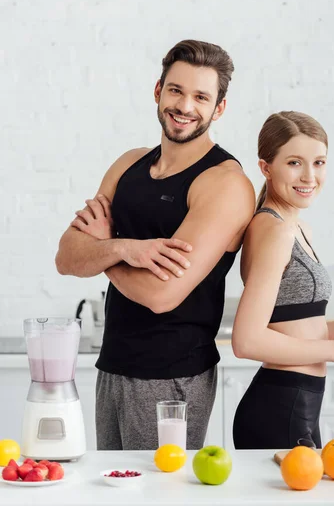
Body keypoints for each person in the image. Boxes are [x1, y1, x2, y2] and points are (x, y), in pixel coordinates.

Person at [55, 39, 255, 451]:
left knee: (159, 495)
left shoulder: (225, 183)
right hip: (113, 366)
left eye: (201, 96)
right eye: (176, 90)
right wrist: (125, 249)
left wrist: (105, 246)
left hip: (173, 377)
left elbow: (162, 294)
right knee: (114, 490)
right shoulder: (129, 163)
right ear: (158, 90)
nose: (185, 106)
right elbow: (66, 256)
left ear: (218, 109)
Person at [232, 111, 334, 450]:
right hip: (281, 406)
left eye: (319, 162)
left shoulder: (295, 227)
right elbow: (246, 341)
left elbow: (283, 323)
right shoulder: (275, 230)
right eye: (294, 163)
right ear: (266, 167)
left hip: (295, 403)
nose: (309, 176)